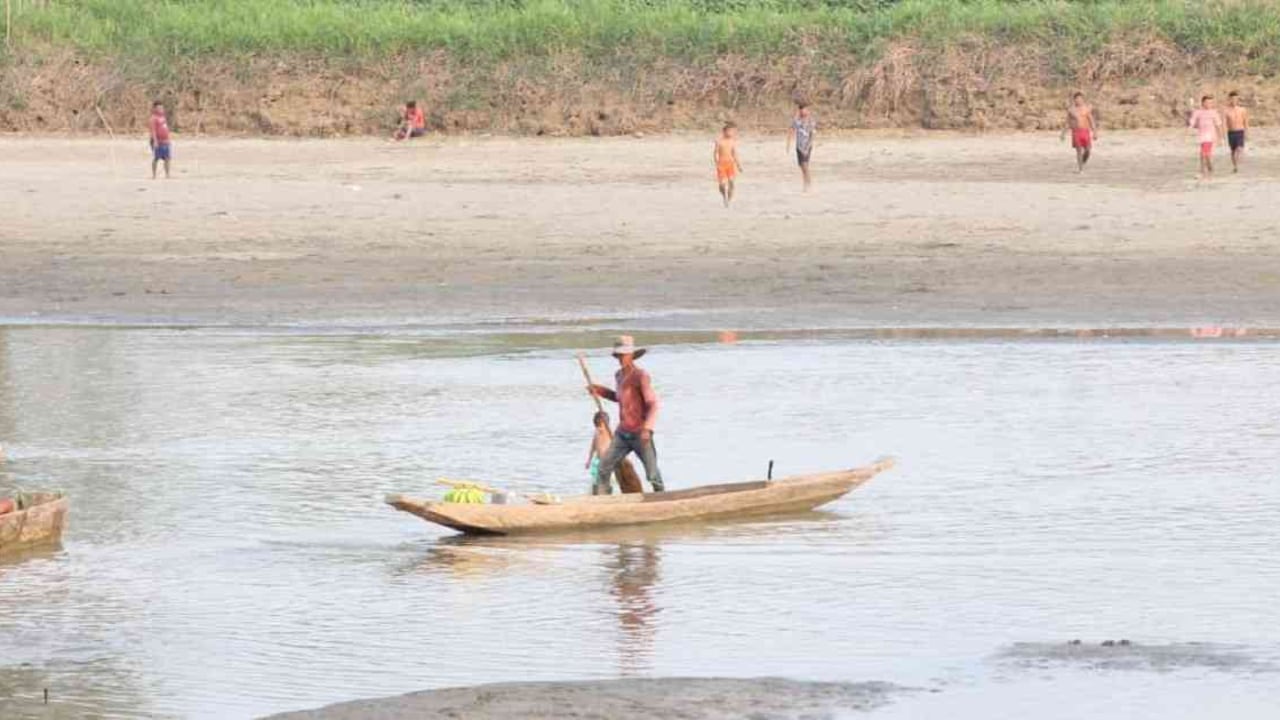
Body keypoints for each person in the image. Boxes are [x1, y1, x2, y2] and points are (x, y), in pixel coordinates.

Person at [587, 335, 664, 494]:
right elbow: (619, 398)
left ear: (631, 355)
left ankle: (663, 498)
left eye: (623, 355)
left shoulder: (640, 376)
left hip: (640, 433)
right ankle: (604, 501)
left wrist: (647, 428)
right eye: (618, 356)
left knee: (652, 473)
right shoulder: (619, 376)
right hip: (623, 433)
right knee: (603, 468)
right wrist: (599, 390)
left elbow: (653, 404)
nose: (620, 358)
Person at [1188, 95, 1225, 180]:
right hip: (1202, 136)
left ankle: (1203, 172)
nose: (1209, 104)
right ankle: (1209, 170)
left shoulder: (1214, 112)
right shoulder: (1198, 112)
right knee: (1204, 155)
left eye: (1211, 102)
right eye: (1207, 102)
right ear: (1203, 103)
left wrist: (1221, 138)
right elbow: (1192, 122)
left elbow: (1218, 125)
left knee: (1204, 154)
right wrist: (1189, 129)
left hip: (1211, 137)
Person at [1060, 92, 1097, 173]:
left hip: (1085, 131)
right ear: (1074, 100)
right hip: (1076, 132)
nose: (1079, 101)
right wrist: (1063, 133)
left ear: (1083, 100)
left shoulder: (1086, 109)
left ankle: (1082, 162)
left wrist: (1094, 132)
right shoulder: (1071, 110)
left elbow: (1091, 120)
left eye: (1080, 99)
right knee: (1079, 151)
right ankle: (1081, 169)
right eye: (1077, 99)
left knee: (1088, 150)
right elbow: (1068, 122)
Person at [786, 101, 816, 190]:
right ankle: (805, 184)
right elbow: (791, 130)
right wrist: (788, 144)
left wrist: (808, 146)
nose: (804, 111)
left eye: (805, 109)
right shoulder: (797, 121)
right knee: (801, 166)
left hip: (807, 145)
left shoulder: (811, 121)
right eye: (802, 110)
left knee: (805, 165)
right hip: (799, 146)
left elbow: (812, 134)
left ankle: (809, 184)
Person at [713, 122, 742, 208]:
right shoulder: (719, 141)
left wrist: (739, 165)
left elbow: (735, 154)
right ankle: (724, 196)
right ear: (724, 132)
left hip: (730, 164)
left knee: (732, 183)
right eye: (729, 131)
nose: (731, 133)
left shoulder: (732, 141)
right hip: (721, 164)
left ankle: (728, 201)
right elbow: (715, 153)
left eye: (732, 131)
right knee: (722, 184)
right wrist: (716, 163)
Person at [585, 410, 613, 492]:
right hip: (597, 461)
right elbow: (593, 447)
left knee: (607, 479)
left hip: (607, 461)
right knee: (595, 479)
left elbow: (616, 446)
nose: (599, 428)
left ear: (606, 425)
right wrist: (589, 460)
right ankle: (595, 491)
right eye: (597, 426)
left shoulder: (610, 433)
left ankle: (607, 490)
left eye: (601, 426)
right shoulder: (596, 433)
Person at [1224, 90, 1249, 173]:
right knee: (1233, 151)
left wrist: (1246, 133)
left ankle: (1237, 163)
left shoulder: (1242, 110)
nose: (1234, 101)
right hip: (1231, 132)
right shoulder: (1226, 110)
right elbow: (1225, 123)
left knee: (1239, 148)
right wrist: (1223, 134)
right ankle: (1235, 166)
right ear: (1229, 99)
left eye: (1236, 99)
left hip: (1240, 131)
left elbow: (1245, 121)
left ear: (1238, 100)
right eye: (1232, 99)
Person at [149, 101, 172, 179]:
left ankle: (167, 174)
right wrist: (155, 141)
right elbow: (153, 130)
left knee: (167, 158)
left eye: (161, 108)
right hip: (158, 141)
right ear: (155, 109)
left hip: (165, 141)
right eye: (159, 108)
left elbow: (165, 128)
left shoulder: (163, 117)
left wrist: (168, 138)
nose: (161, 109)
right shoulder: (153, 118)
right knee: (156, 158)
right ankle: (154, 174)